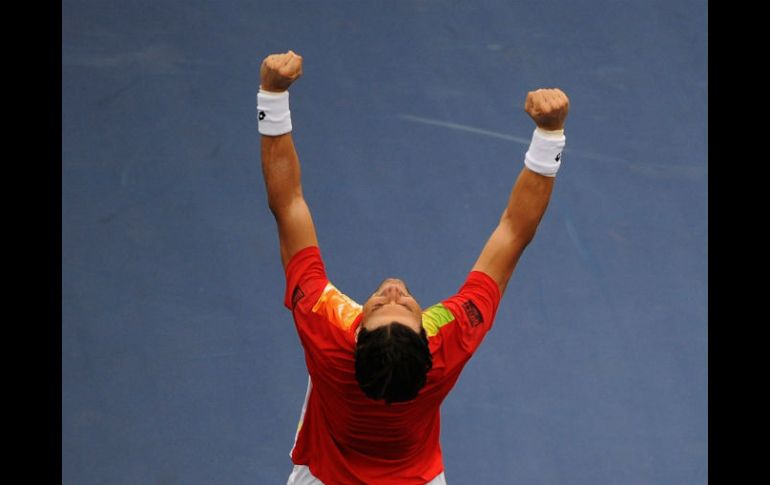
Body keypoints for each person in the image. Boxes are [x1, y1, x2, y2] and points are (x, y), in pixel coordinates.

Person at [258, 50, 569, 485]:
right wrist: (550, 134)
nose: (393, 291)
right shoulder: (449, 339)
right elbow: (513, 233)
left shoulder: (326, 329)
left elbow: (288, 207)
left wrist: (272, 97)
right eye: (403, 307)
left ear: (355, 335)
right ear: (427, 337)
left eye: (379, 306)